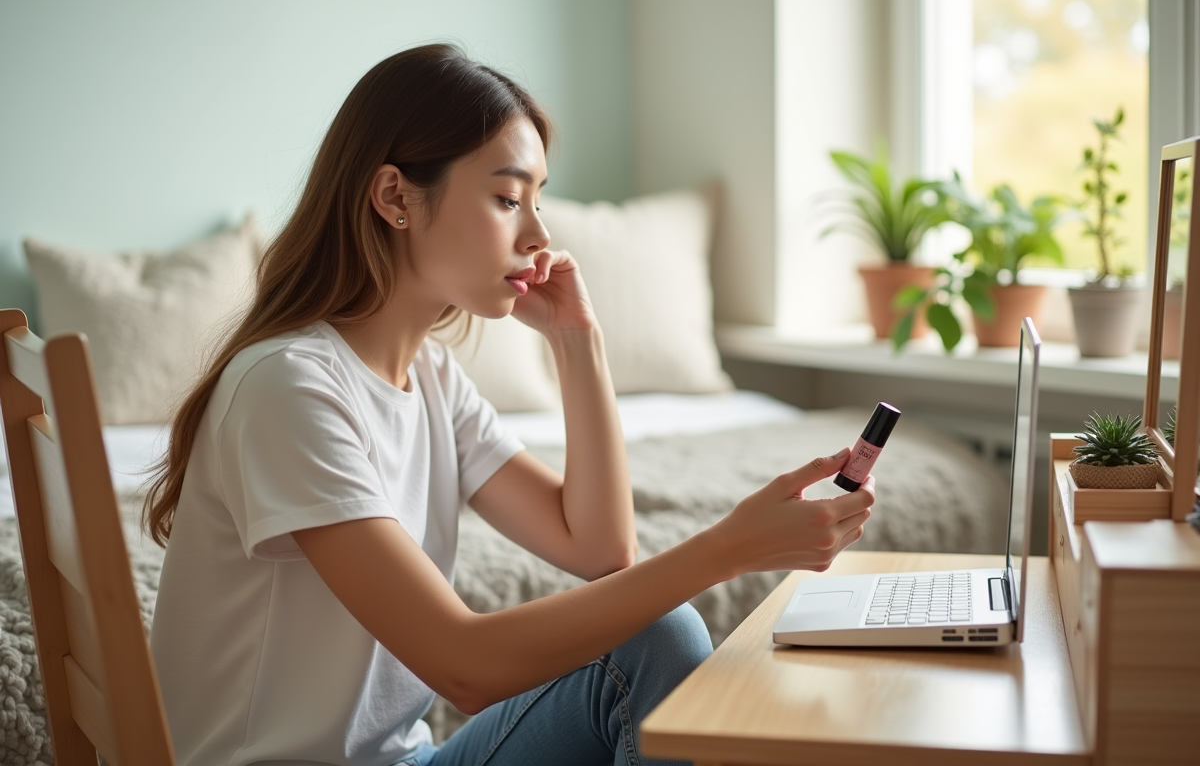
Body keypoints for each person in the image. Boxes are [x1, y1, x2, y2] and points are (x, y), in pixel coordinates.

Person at [144, 43, 875, 766]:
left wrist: (578, 343)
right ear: (395, 196)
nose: (539, 234)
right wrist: (727, 549)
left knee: (659, 636)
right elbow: (465, 666)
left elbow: (598, 550)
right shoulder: (288, 387)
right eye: (506, 197)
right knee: (664, 632)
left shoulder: (429, 377)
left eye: (536, 198)